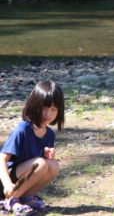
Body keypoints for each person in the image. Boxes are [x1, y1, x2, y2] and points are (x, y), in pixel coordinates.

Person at [1, 80, 64, 214]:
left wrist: (46, 155)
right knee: (40, 164)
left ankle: (27, 198)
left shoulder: (49, 134)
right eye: (44, 108)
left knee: (53, 165)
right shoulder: (23, 129)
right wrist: (7, 185)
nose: (48, 114)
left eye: (53, 109)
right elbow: (2, 159)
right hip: (7, 182)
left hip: (23, 179)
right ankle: (11, 200)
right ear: (34, 105)